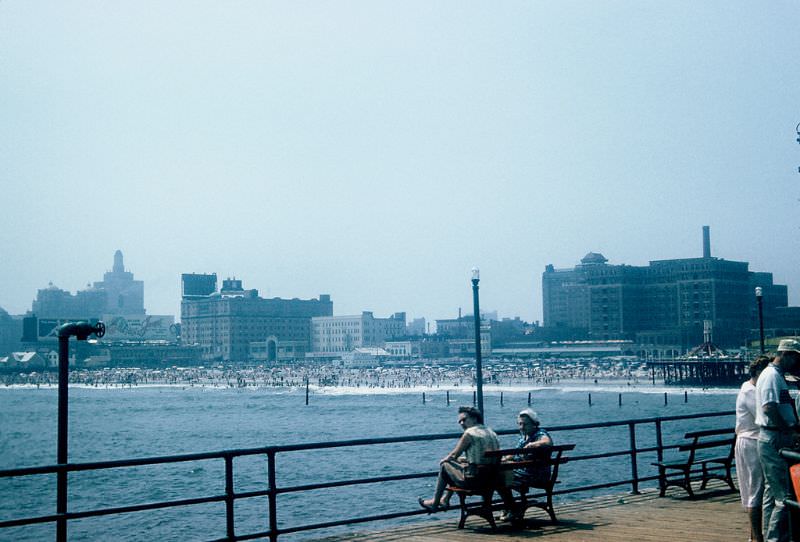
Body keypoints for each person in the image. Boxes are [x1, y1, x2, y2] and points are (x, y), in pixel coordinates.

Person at [755, 339, 800, 542]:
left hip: (769, 435)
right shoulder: (772, 376)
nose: (796, 362)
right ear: (786, 354)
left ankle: (767, 535)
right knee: (784, 496)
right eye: (795, 357)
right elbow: (769, 408)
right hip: (775, 436)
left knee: (771, 493)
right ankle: (775, 538)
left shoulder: (773, 375)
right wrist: (787, 430)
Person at [418, 406, 500, 512]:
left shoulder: (470, 433)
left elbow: (453, 455)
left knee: (445, 466)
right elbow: (482, 456)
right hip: (492, 479)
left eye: (464, 420)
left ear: (474, 418)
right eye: (460, 421)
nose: (461, 423)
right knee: (454, 468)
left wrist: (444, 460)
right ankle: (445, 499)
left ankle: (436, 502)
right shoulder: (491, 432)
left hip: (475, 481)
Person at [736, 356, 771, 542]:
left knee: (755, 489)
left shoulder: (752, 389)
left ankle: (754, 536)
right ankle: (757, 537)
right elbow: (763, 415)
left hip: (752, 440)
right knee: (754, 489)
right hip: (750, 441)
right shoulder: (750, 391)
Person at [498, 408, 553, 521]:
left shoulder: (540, 433)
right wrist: (505, 459)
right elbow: (517, 453)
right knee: (499, 474)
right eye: (520, 424)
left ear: (534, 424)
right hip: (525, 472)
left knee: (499, 479)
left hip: (535, 475)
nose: (522, 427)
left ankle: (511, 508)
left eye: (525, 424)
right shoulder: (524, 437)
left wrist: (533, 444)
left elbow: (547, 441)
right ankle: (510, 507)